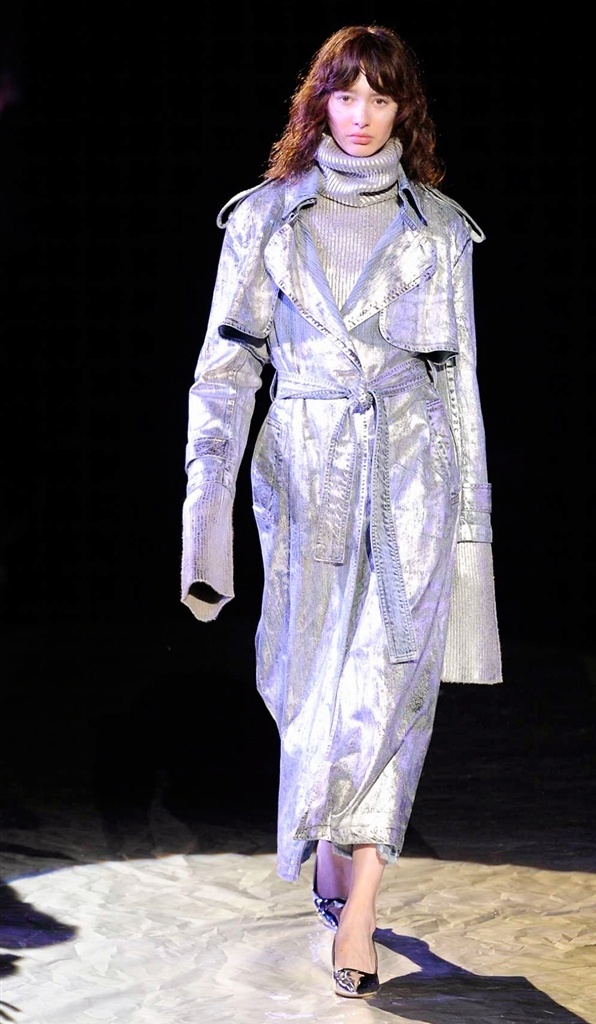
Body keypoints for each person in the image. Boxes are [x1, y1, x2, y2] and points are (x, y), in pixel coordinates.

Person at [180, 24, 502, 999]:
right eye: (346, 94)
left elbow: (458, 387)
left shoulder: (438, 229)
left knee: (390, 686)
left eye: (381, 97)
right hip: (301, 477)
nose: (362, 116)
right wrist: (204, 525)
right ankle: (327, 834)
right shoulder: (264, 219)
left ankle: (358, 910)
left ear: (405, 109)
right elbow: (223, 371)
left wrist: (472, 535)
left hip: (412, 476)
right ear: (317, 102)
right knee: (308, 684)